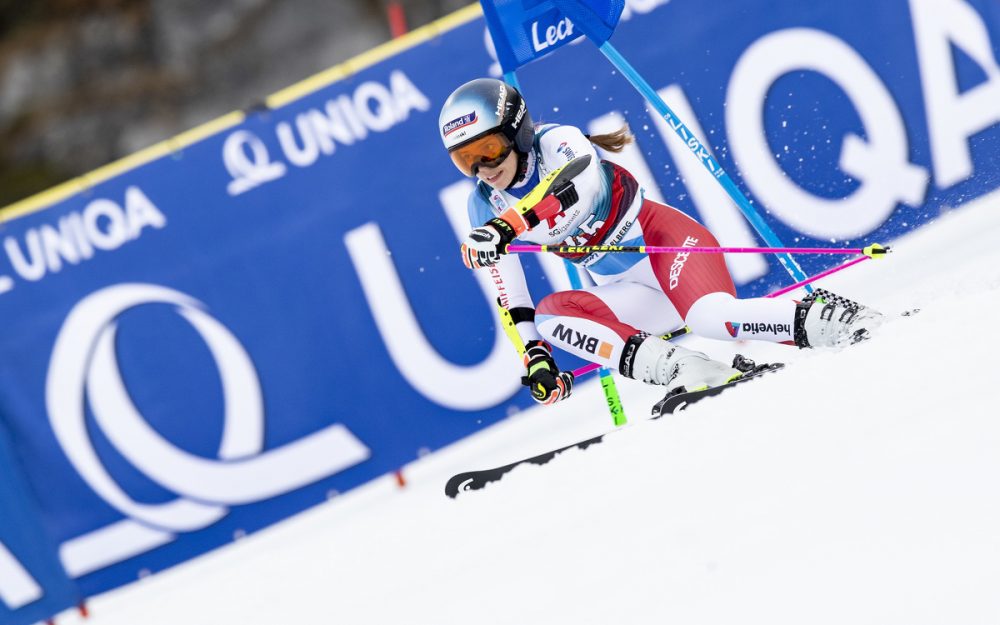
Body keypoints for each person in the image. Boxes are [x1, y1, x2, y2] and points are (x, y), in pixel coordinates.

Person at [438, 78, 883, 406]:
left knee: (712, 318)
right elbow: (512, 296)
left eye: (489, 150)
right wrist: (535, 357)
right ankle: (692, 371)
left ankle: (835, 320)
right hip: (633, 289)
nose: (482, 169)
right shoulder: (484, 206)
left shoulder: (559, 143)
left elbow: (567, 188)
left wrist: (507, 227)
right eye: (465, 161)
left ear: (517, 132)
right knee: (554, 317)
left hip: (667, 245)